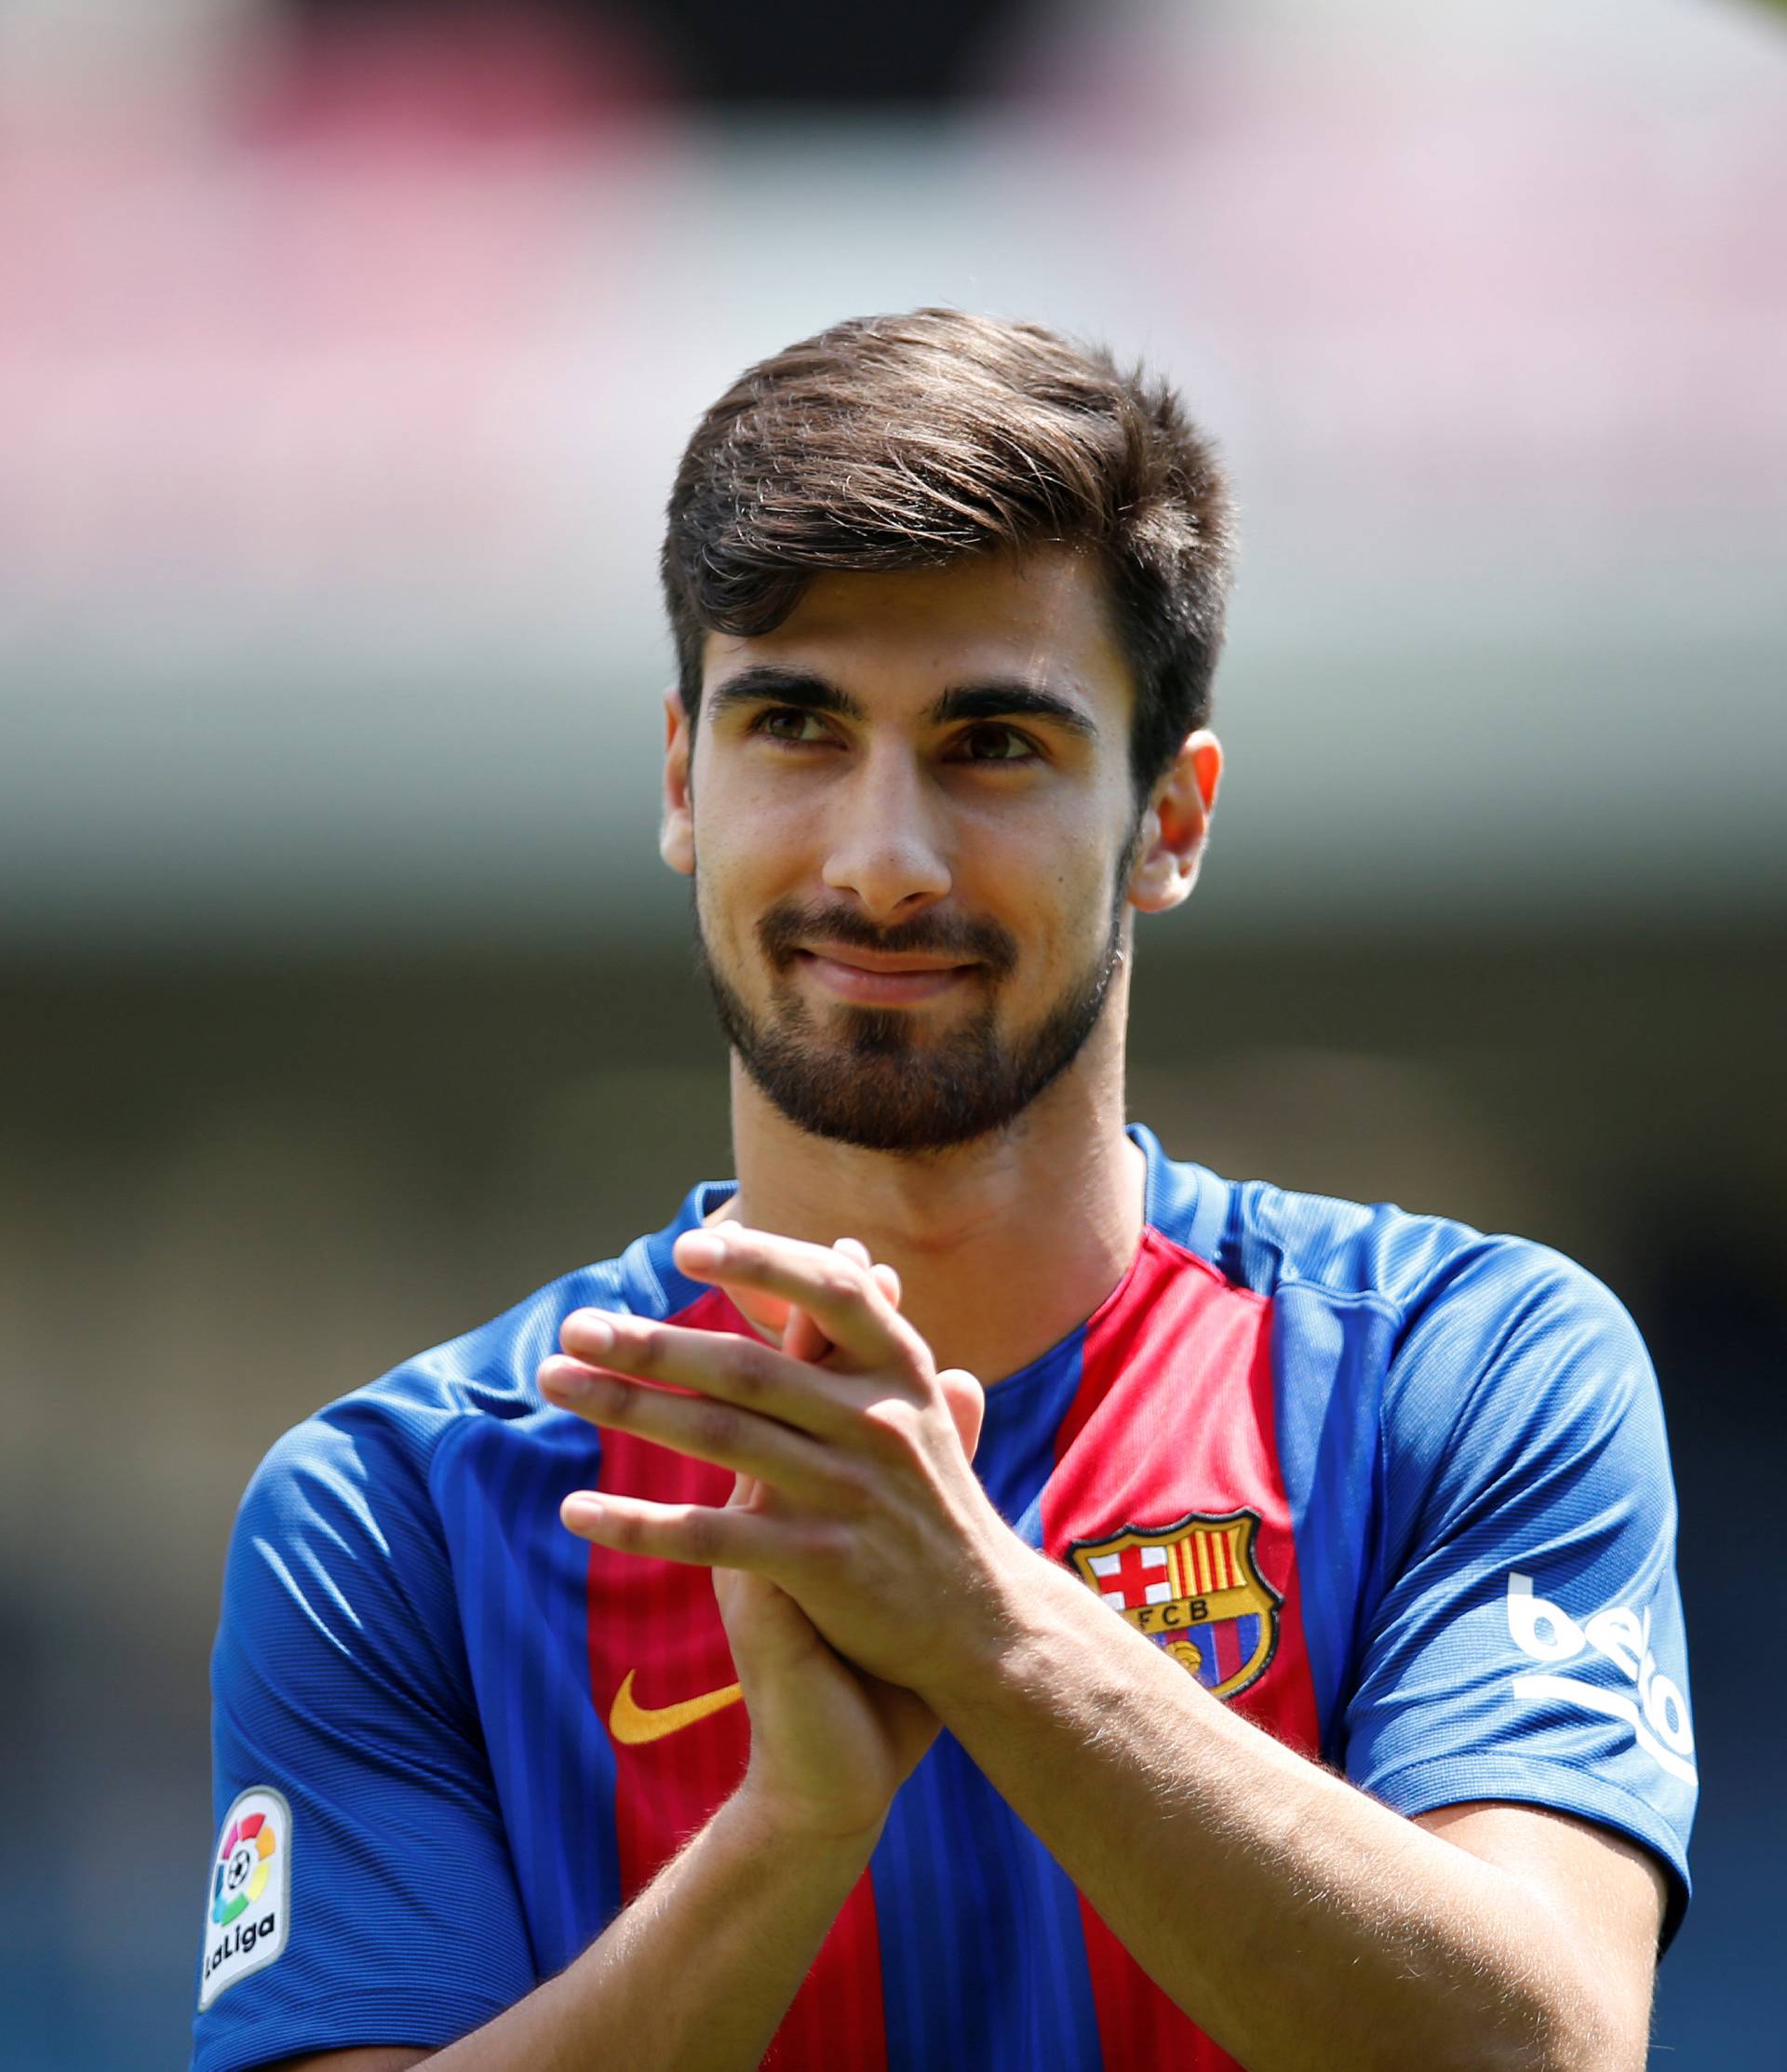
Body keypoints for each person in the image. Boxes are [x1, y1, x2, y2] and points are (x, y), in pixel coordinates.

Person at [192, 310, 1695, 2072]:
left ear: (1170, 820)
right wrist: (786, 1841)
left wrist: (989, 1631)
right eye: (798, 726)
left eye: (993, 744)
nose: (882, 858)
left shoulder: (1464, 1372)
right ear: (684, 775)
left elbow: (1552, 2048)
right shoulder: (397, 1514)